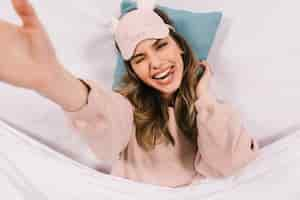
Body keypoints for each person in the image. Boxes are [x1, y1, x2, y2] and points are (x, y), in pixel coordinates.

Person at [0, 0, 259, 187]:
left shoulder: (213, 110)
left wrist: (204, 97)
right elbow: (99, 114)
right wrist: (52, 80)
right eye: (139, 58)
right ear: (133, 71)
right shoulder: (128, 110)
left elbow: (229, 163)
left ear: (179, 46)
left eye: (160, 46)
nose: (156, 64)